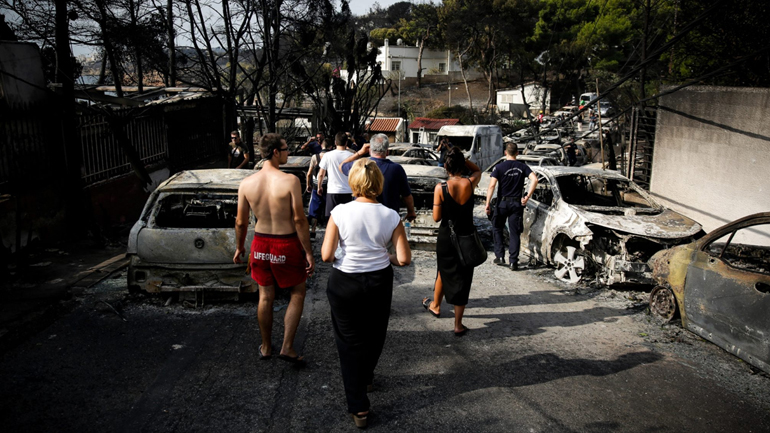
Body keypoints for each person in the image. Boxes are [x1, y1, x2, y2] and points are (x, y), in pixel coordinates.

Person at [321, 158, 411, 428]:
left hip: (344, 281)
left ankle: (359, 408)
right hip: (378, 281)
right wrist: (386, 255)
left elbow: (326, 255)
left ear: (353, 183)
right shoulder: (391, 216)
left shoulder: (339, 213)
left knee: (349, 342)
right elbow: (404, 259)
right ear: (379, 184)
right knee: (374, 333)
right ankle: (367, 375)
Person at [233, 133, 315, 365]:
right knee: (297, 292)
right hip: (285, 242)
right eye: (286, 149)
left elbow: (240, 222)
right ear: (276, 152)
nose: (289, 152)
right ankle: (287, 347)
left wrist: (240, 248)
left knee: (265, 296)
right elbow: (299, 220)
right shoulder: (290, 181)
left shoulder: (247, 183)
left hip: (260, 243)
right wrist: (308, 252)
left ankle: (267, 346)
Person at [422, 147, 481, 336]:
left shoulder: (441, 188)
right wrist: (464, 162)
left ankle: (436, 306)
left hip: (447, 237)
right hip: (466, 238)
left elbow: (437, 217)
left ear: (446, 166)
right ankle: (458, 324)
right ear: (462, 165)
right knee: (463, 278)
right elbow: (478, 170)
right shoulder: (470, 183)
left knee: (443, 270)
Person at [485, 142, 538, 271]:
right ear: (517, 153)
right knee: (514, 233)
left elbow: (492, 186)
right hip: (516, 203)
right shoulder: (522, 167)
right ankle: (513, 262)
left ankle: (500, 256)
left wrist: (487, 203)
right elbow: (535, 179)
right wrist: (527, 196)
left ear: (505, 153)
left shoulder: (499, 167)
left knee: (497, 227)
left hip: (502, 203)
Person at [338, 133, 417, 219]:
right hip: (387, 218)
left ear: (369, 150)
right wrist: (411, 212)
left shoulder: (359, 165)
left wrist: (360, 152)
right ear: (387, 152)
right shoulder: (396, 169)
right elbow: (407, 195)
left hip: (361, 216)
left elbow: (341, 166)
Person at [317, 132, 355, 218]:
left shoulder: (327, 155)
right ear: (346, 142)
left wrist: (319, 186)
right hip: (348, 191)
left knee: (331, 219)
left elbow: (321, 174)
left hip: (333, 191)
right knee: (346, 220)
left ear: (335, 142)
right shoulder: (352, 156)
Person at [306, 138, 334, 237]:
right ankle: (329, 232)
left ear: (321, 146)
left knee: (314, 210)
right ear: (331, 147)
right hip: (329, 186)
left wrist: (308, 185)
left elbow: (309, 173)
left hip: (315, 185)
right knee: (329, 210)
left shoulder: (315, 157)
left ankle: (313, 231)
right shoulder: (332, 156)